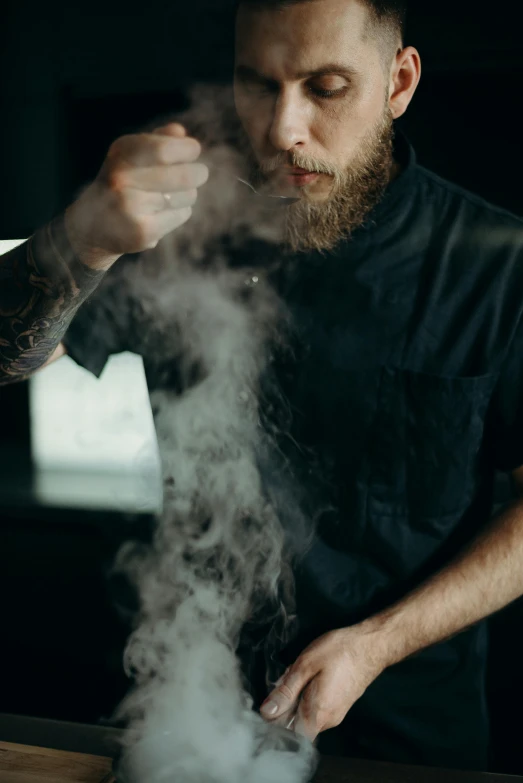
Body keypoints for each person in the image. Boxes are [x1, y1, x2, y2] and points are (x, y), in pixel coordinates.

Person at [31, 0, 523, 772]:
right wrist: (80, 240)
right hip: (185, 716)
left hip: (410, 740)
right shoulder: (182, 224)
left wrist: (376, 643)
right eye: (258, 84)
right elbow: (10, 357)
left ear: (398, 82)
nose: (281, 128)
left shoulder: (496, 264)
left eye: (325, 87)